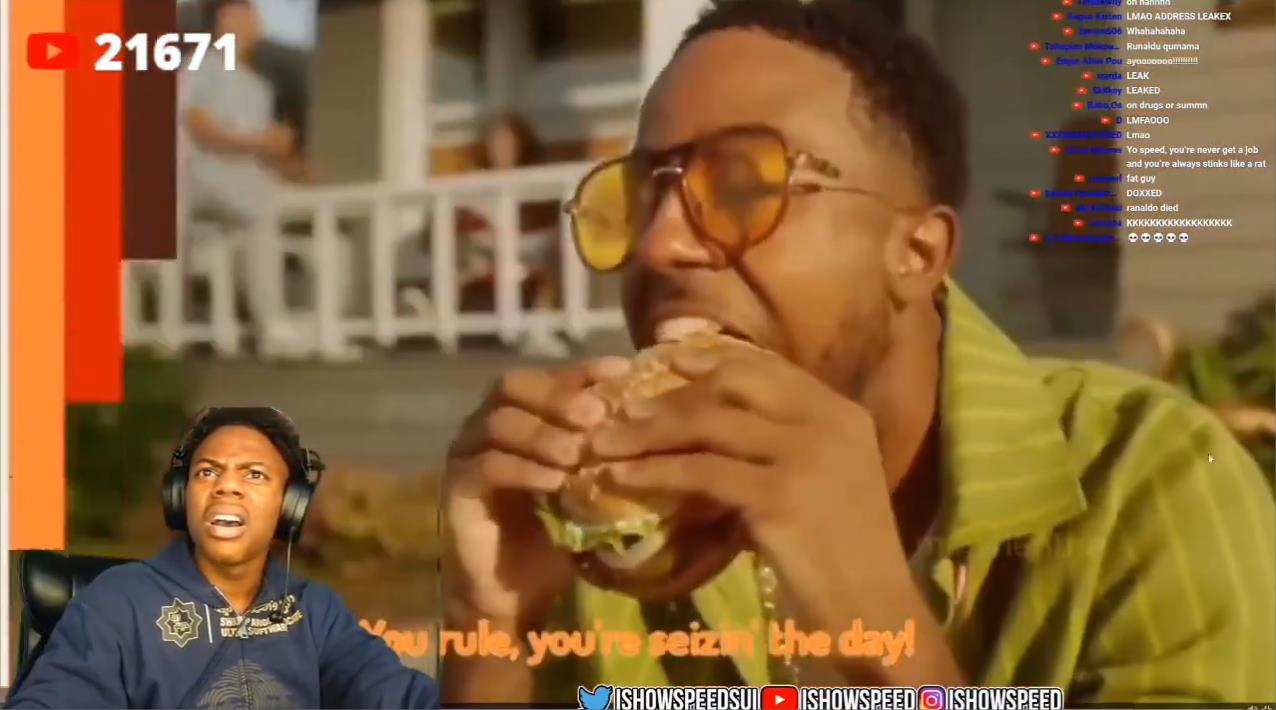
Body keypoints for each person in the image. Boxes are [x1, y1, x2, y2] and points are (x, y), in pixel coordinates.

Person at [438, 0, 1275, 705]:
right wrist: (492, 630)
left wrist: (880, 632)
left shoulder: (1150, 482)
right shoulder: (607, 544)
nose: (658, 246)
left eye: (742, 185)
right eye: (639, 196)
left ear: (916, 253)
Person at [6, 407, 440, 709]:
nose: (226, 486)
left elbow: (396, 696)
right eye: (207, 472)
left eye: (254, 474)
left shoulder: (316, 612)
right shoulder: (118, 603)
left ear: (289, 506)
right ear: (181, 498)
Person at [182, 0, 307, 359]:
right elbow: (202, 129)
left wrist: (280, 151)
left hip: (243, 184)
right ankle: (273, 326)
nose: (257, 22)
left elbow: (262, 150)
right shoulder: (202, 65)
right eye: (249, 13)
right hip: (196, 179)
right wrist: (259, 142)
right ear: (225, 19)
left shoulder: (259, 86)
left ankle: (298, 324)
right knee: (259, 212)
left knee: (292, 218)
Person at [458, 114, 572, 359]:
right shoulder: (475, 185)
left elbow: (546, 234)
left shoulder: (537, 186)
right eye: (496, 142)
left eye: (508, 142)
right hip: (487, 276)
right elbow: (473, 236)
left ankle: (541, 331)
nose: (501, 149)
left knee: (552, 268)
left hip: (530, 271)